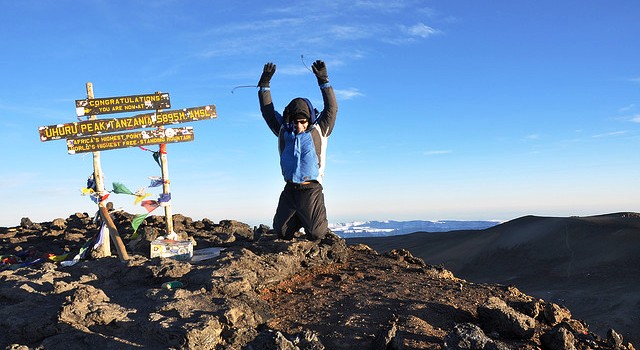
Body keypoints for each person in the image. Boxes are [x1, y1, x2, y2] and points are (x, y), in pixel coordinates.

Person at [257, 60, 338, 241]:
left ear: (309, 119)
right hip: (290, 190)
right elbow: (267, 111)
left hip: (311, 190)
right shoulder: (283, 130)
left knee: (316, 233)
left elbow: (332, 108)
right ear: (290, 120)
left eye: (303, 121)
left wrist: (323, 80)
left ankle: (310, 219)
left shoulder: (320, 129)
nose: (299, 125)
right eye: (295, 121)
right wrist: (264, 85)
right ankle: (300, 218)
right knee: (282, 232)